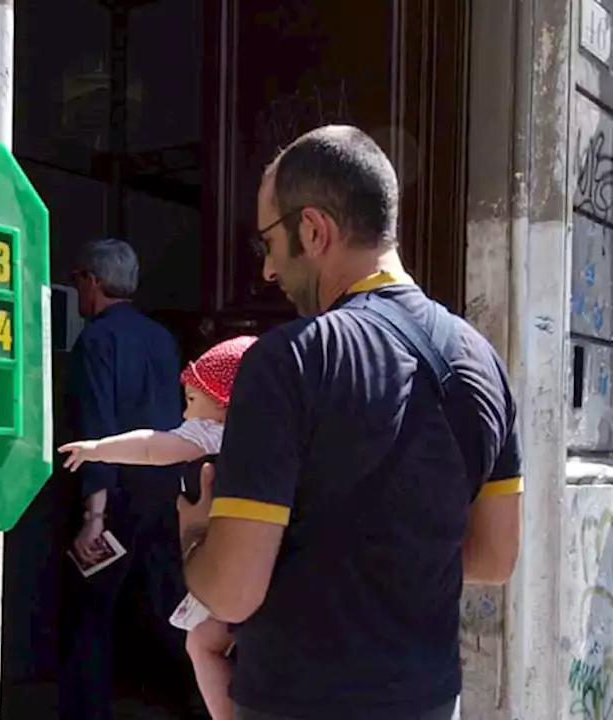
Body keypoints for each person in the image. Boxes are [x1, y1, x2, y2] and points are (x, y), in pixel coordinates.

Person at [175, 125, 523, 720]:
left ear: (313, 230)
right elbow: (494, 558)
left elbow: (231, 588)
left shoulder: (287, 361)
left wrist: (196, 530)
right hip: (430, 701)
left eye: (268, 242)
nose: (266, 271)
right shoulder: (483, 361)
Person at [60, 334, 258, 720]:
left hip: (226, 563)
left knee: (202, 643)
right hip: (260, 567)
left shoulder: (208, 433)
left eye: (192, 402)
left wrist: (98, 449)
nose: (185, 415)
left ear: (222, 402)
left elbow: (151, 447)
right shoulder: (276, 439)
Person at [57, 238, 187, 720]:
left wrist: (93, 514)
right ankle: (198, 702)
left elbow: (97, 424)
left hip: (114, 498)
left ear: (92, 282)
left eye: (78, 282)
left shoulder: (95, 341)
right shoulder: (161, 339)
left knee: (90, 615)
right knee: (168, 604)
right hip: (164, 493)